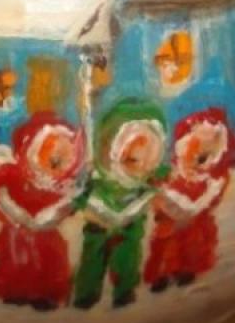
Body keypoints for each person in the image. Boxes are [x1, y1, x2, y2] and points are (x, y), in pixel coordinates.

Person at [0, 113, 85, 310]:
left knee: (50, 259)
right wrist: (10, 210)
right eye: (52, 157)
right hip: (16, 231)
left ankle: (47, 294)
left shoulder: (60, 187)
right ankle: (15, 290)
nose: (57, 163)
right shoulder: (13, 174)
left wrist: (56, 213)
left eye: (63, 159)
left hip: (47, 235)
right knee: (15, 256)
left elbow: (70, 204)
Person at [72, 98, 168, 309]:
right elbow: (81, 194)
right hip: (98, 220)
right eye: (132, 160)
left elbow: (163, 180)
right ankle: (86, 294)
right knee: (93, 258)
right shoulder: (100, 175)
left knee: (127, 258)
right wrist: (76, 204)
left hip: (130, 223)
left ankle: (124, 292)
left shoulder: (148, 179)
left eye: (148, 161)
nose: (141, 167)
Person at [144, 108, 235, 291]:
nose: (193, 162)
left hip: (195, 220)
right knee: (165, 243)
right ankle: (161, 273)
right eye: (189, 154)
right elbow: (158, 189)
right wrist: (159, 199)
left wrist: (200, 203)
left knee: (191, 243)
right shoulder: (173, 172)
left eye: (202, 157)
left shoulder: (211, 180)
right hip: (169, 218)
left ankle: (185, 269)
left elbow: (209, 200)